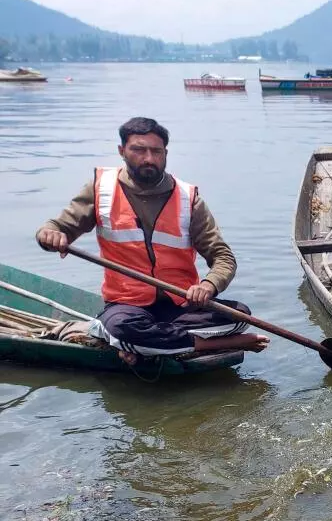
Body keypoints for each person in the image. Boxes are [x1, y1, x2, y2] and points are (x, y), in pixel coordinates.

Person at [35, 116, 266, 364]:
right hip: (127, 306)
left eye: (156, 151)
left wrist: (208, 286)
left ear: (165, 153)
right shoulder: (101, 189)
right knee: (123, 327)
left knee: (240, 316)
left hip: (180, 306)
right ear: (122, 151)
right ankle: (218, 343)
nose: (148, 158)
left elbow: (223, 257)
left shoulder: (188, 198)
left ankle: (142, 345)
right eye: (138, 150)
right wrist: (49, 234)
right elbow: (57, 228)